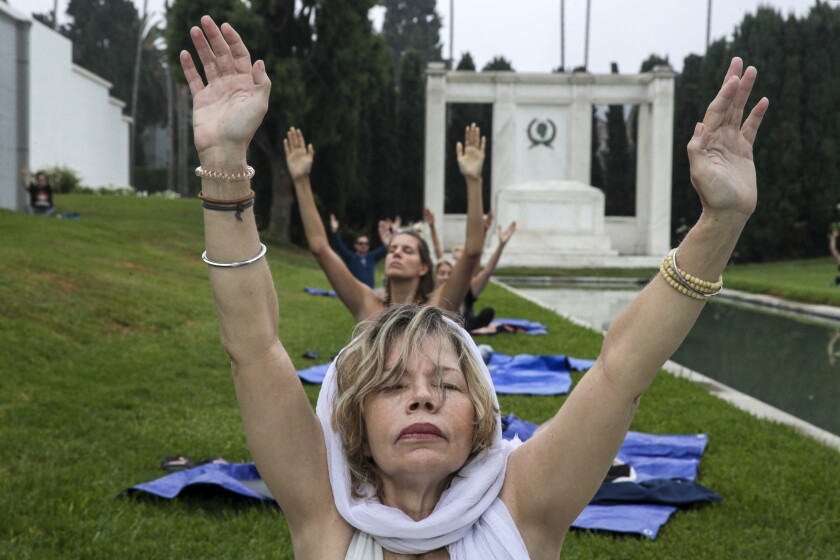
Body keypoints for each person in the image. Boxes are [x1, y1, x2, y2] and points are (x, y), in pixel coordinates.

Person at [180, 16, 767, 558]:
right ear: (351, 421)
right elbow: (255, 350)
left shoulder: (524, 510)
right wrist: (227, 158)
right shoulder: (327, 519)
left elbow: (621, 371)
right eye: (390, 386)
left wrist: (720, 223)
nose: (423, 399)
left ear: (481, 420)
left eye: (447, 384)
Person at [284, 120, 484, 324]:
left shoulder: (436, 310)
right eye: (393, 249)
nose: (396, 252)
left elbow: (472, 252)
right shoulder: (366, 305)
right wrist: (301, 180)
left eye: (407, 251)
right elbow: (320, 248)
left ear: (424, 267)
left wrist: (474, 180)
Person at [435, 221, 517, 331]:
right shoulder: (429, 290)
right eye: (442, 273)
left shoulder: (467, 287)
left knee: (488, 312)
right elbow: (439, 254)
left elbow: (487, 270)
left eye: (449, 274)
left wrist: (500, 245)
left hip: (465, 323)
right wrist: (431, 227)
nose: (445, 277)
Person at [329, 214, 387, 289]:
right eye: (360, 243)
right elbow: (339, 246)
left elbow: (387, 247)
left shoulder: (372, 257)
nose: (364, 245)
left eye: (366, 243)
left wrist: (395, 233)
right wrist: (334, 230)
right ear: (355, 245)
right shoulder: (350, 257)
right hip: (355, 292)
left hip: (370, 292)